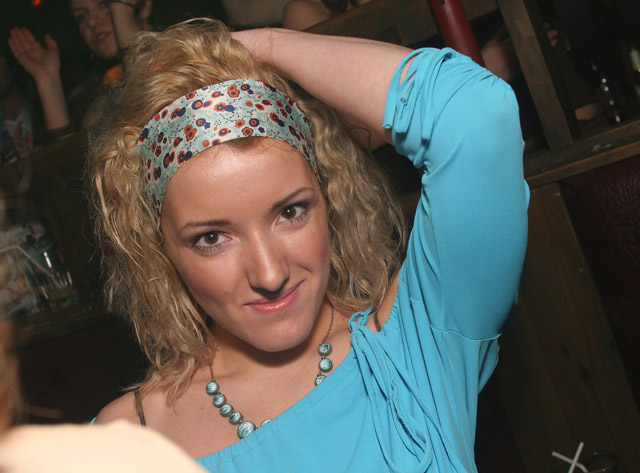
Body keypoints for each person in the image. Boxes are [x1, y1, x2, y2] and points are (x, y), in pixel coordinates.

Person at [89, 17, 529, 472]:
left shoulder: (417, 344)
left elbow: (477, 115)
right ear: (158, 252)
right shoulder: (124, 445)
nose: (270, 274)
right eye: (212, 238)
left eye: (290, 212)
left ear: (330, 197)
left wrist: (265, 45)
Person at [7, 0, 152, 134]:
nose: (91, 22)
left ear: (144, 5)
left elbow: (152, 99)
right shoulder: (101, 105)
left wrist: (122, 11)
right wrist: (47, 79)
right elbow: (71, 153)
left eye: (104, 4)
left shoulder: (166, 67)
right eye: (82, 16)